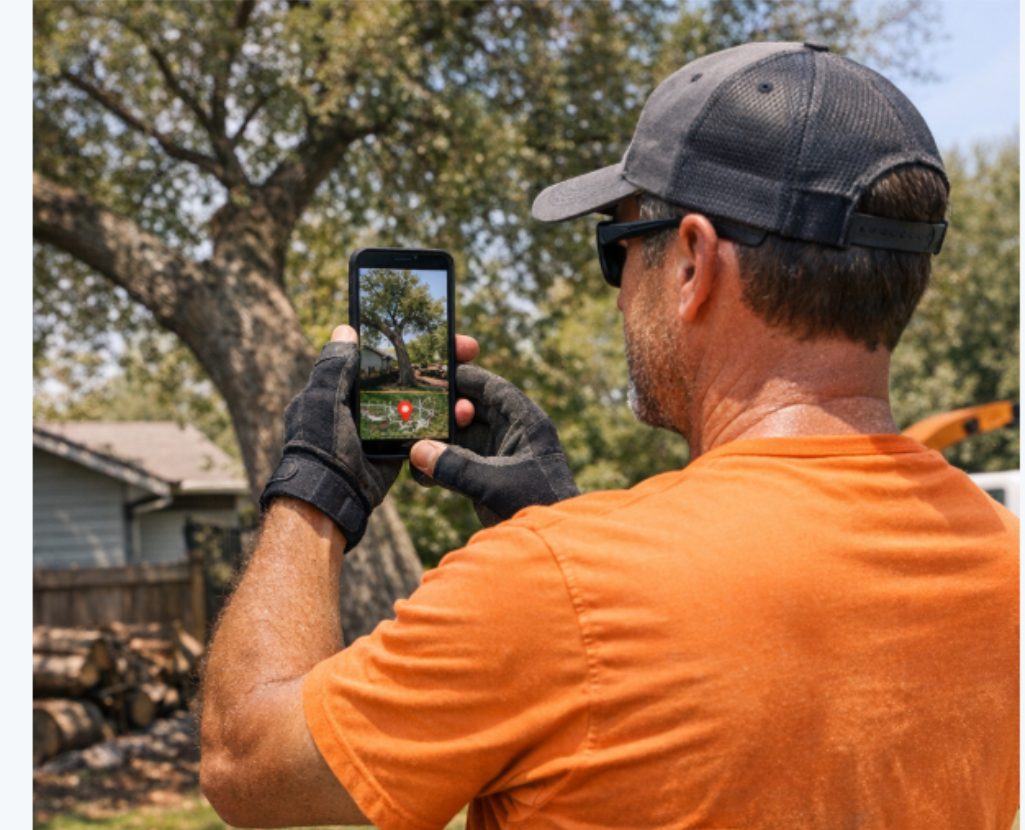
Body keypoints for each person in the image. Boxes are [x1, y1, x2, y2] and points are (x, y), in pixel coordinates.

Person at [199, 42, 1018, 829]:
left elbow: (245, 759)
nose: (621, 296)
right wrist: (562, 529)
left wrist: (314, 487)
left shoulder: (554, 585)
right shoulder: (1002, 560)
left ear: (692, 261)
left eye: (615, 248)